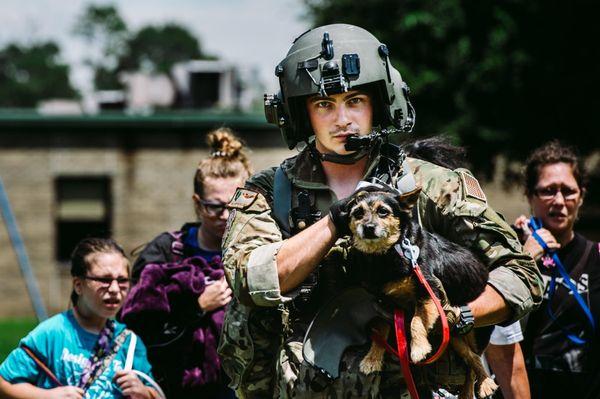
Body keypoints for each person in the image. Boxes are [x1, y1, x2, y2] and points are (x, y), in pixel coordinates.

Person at [219, 23, 543, 398]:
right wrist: (335, 221)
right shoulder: (270, 191)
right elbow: (250, 279)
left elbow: (521, 273)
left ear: (379, 104)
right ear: (302, 114)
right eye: (325, 104)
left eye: (355, 101)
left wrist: (459, 316)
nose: (342, 119)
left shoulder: (432, 184)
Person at [121, 128, 251, 398]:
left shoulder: (261, 251)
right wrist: (196, 307)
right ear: (197, 203)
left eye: (236, 204)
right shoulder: (167, 253)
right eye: (215, 206)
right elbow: (138, 327)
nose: (226, 216)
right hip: (177, 387)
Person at [0, 237, 158, 399]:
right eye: (104, 279)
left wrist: (144, 393)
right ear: (78, 285)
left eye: (123, 280)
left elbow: (156, 394)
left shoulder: (130, 343)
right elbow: (4, 384)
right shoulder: (52, 333)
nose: (115, 289)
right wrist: (47, 396)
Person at [513, 140, 599, 399]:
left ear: (581, 196)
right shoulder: (507, 252)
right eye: (548, 190)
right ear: (529, 195)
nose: (559, 201)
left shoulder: (596, 257)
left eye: (568, 191)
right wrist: (525, 257)